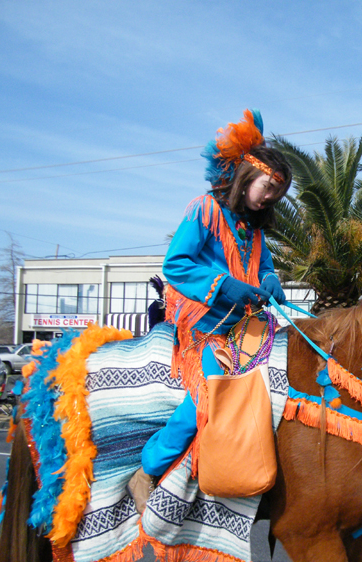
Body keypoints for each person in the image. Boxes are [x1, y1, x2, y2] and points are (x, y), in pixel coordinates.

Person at [129, 110, 292, 511]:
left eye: (277, 193)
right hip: (205, 326)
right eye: (268, 187)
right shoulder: (204, 209)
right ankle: (148, 470)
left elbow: (264, 266)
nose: (270, 198)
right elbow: (176, 264)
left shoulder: (253, 228)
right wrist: (224, 286)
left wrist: (270, 279)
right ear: (247, 177)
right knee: (210, 390)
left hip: (247, 324)